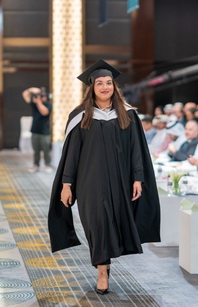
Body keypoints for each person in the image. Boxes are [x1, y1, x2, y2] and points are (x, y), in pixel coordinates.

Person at [48, 59, 160, 295]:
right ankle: (102, 270)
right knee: (97, 224)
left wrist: (138, 178)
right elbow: (71, 155)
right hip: (90, 182)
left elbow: (137, 150)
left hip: (120, 181)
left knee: (114, 223)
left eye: (109, 83)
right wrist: (67, 184)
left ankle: (104, 265)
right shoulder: (80, 116)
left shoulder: (127, 114)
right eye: (100, 83)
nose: (105, 87)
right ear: (92, 87)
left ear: (114, 87)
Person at [22, 86, 53, 173]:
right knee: (36, 150)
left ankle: (48, 165)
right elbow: (25, 94)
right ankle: (36, 165)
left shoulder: (48, 105)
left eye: (42, 96)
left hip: (45, 132)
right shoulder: (34, 104)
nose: (40, 98)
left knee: (46, 150)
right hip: (35, 131)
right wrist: (31, 89)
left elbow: (44, 112)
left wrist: (38, 102)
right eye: (39, 96)